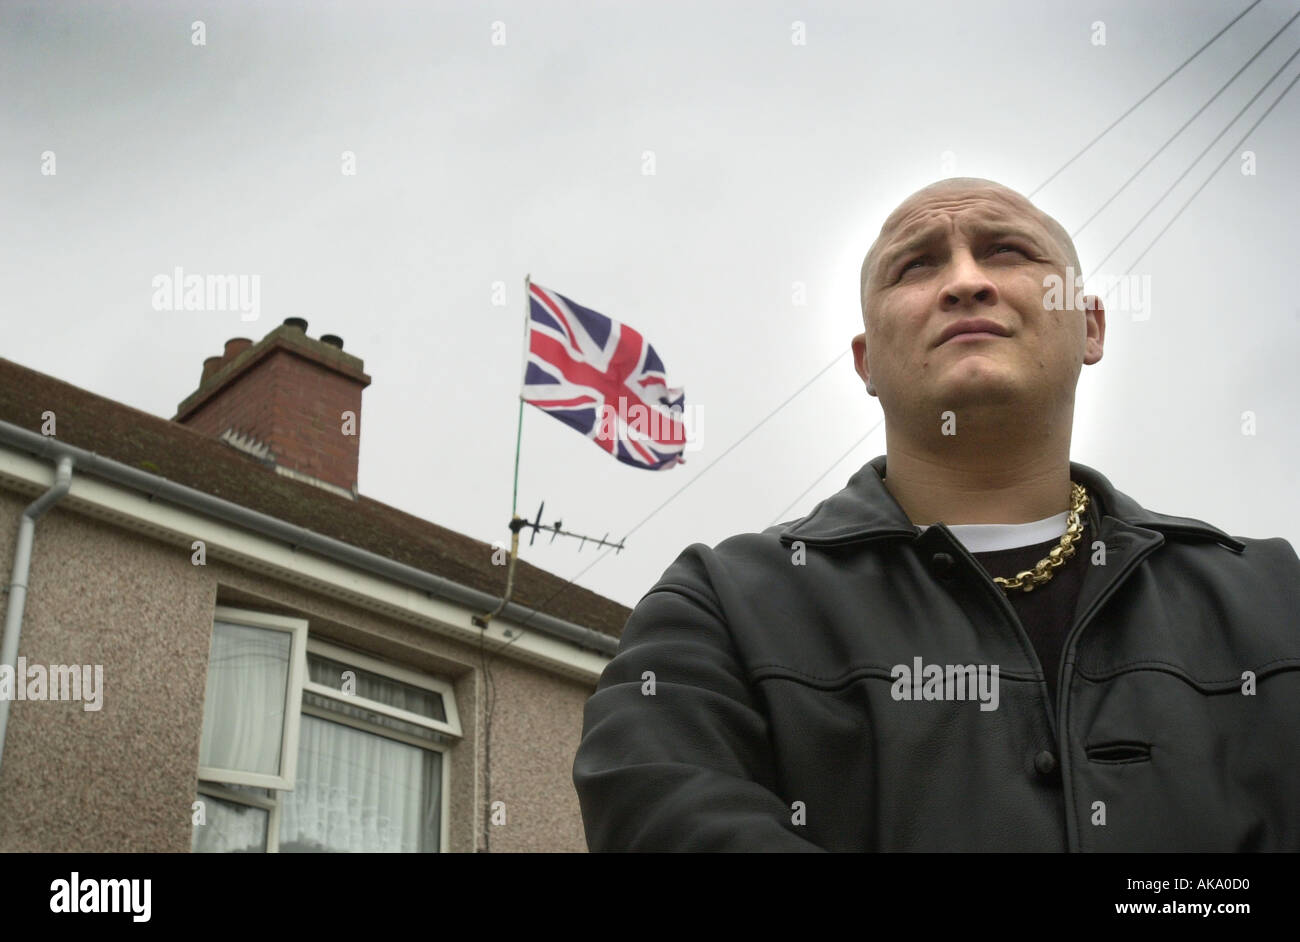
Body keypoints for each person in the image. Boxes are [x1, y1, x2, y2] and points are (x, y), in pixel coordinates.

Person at [571, 177, 1300, 852]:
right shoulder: (719, 608)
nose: (965, 281)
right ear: (865, 364)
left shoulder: (1274, 600)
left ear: (1091, 326)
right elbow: (665, 818)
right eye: (916, 267)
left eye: (1006, 251)